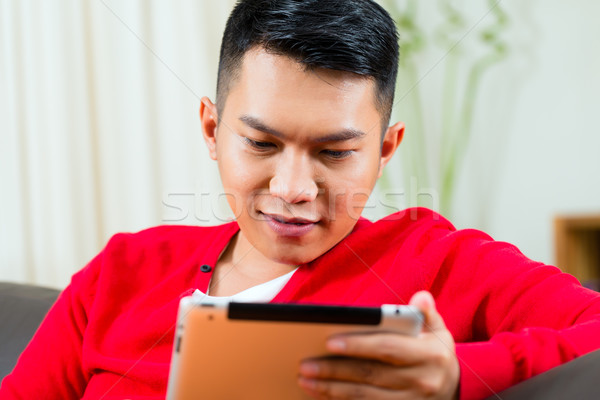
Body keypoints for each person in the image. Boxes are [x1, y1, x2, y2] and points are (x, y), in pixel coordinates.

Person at [2, 0, 600, 399]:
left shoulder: (438, 261)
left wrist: (458, 375)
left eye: (335, 153)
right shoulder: (122, 272)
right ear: (212, 130)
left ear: (385, 149)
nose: (292, 189)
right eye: (261, 143)